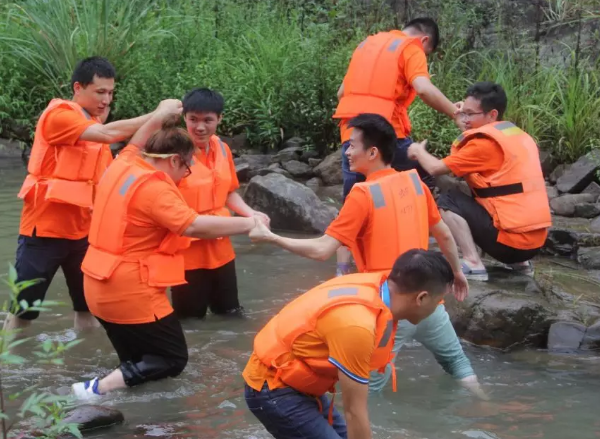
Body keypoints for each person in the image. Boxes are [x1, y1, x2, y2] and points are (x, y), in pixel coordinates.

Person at [249, 113, 487, 399]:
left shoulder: (362, 195)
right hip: (427, 299)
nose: (347, 152)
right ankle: (483, 407)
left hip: (389, 306)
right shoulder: (415, 184)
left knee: (367, 391)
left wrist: (271, 237)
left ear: (372, 152)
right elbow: (444, 235)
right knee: (458, 364)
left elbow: (322, 249)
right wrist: (456, 274)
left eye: (351, 146)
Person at [72, 109, 265, 400]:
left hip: (97, 285)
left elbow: (136, 141)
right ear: (175, 160)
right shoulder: (155, 189)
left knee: (137, 360)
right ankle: (95, 390)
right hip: (130, 291)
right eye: (186, 169)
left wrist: (161, 113)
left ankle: (129, 416)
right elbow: (194, 225)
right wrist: (251, 223)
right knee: (173, 359)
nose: (184, 176)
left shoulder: (123, 163)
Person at [6, 56, 169, 332]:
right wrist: (158, 114)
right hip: (44, 233)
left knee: (87, 308)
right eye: (100, 92)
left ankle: (81, 360)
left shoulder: (94, 126)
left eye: (110, 93)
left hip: (84, 235)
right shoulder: (60, 115)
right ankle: (5, 370)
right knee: (22, 312)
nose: (106, 100)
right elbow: (107, 134)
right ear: (78, 88)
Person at [243, 249, 454, 439]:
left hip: (300, 385)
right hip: (272, 388)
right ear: (422, 298)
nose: (438, 307)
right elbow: (354, 411)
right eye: (439, 301)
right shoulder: (358, 325)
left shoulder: (381, 291)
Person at [332, 17, 462, 275]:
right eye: (427, 53)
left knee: (352, 201)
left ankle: (342, 270)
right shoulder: (410, 47)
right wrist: (455, 114)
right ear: (424, 40)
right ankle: (414, 251)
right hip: (386, 134)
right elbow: (423, 88)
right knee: (422, 180)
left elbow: (340, 93)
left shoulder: (366, 45)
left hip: (352, 135)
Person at [407, 82, 552, 281]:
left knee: (449, 199)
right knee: (491, 195)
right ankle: (521, 265)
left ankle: (473, 263)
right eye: (462, 112)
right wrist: (464, 119)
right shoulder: (518, 136)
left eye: (469, 114)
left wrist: (417, 150)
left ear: (492, 114)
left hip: (510, 246)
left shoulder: (484, 145)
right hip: (535, 243)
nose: (464, 118)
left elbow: (434, 168)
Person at [170, 88, 270, 319]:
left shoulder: (222, 149)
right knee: (189, 320)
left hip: (222, 249)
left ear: (220, 119)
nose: (200, 127)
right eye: (193, 119)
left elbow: (228, 193)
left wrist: (251, 213)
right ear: (184, 117)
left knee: (231, 314)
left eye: (208, 120)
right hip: (187, 252)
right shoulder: (173, 154)